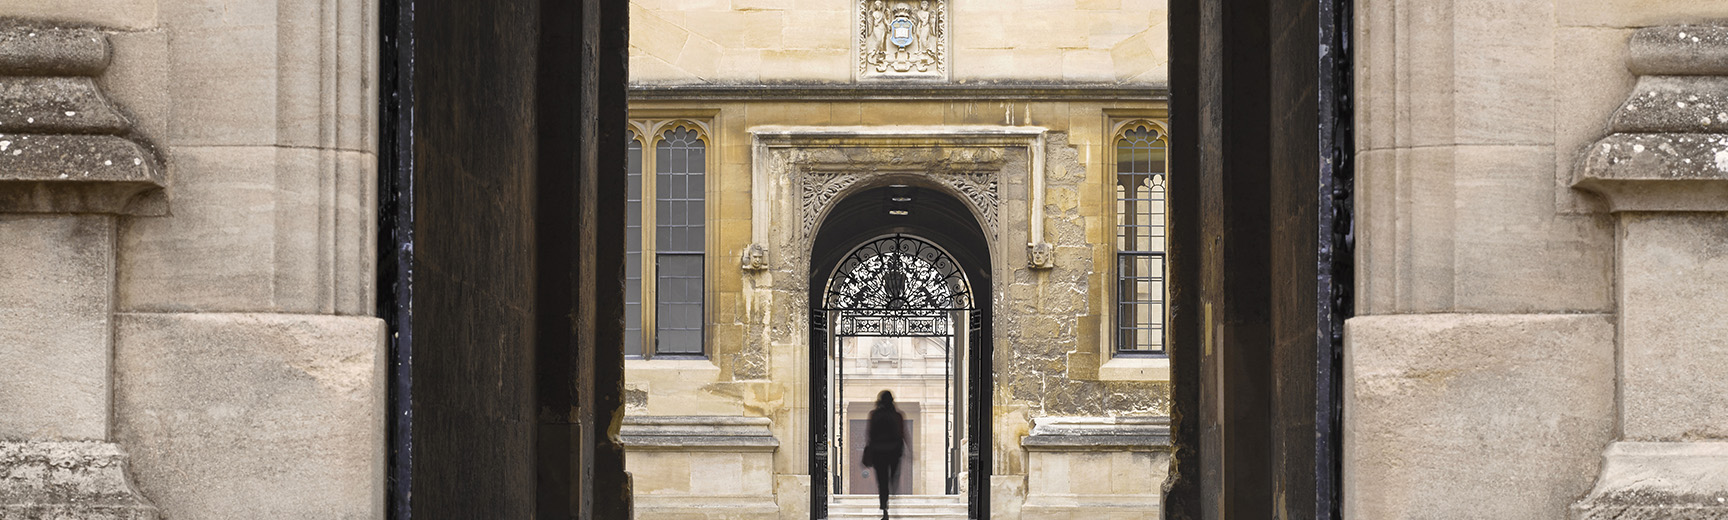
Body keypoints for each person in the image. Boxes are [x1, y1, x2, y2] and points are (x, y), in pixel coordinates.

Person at [862, 390, 906, 520]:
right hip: (893, 451)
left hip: (879, 452)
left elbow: (869, 434)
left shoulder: (874, 415)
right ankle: (891, 494)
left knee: (882, 481)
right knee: (892, 477)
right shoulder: (897, 415)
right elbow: (902, 433)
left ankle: (884, 507)